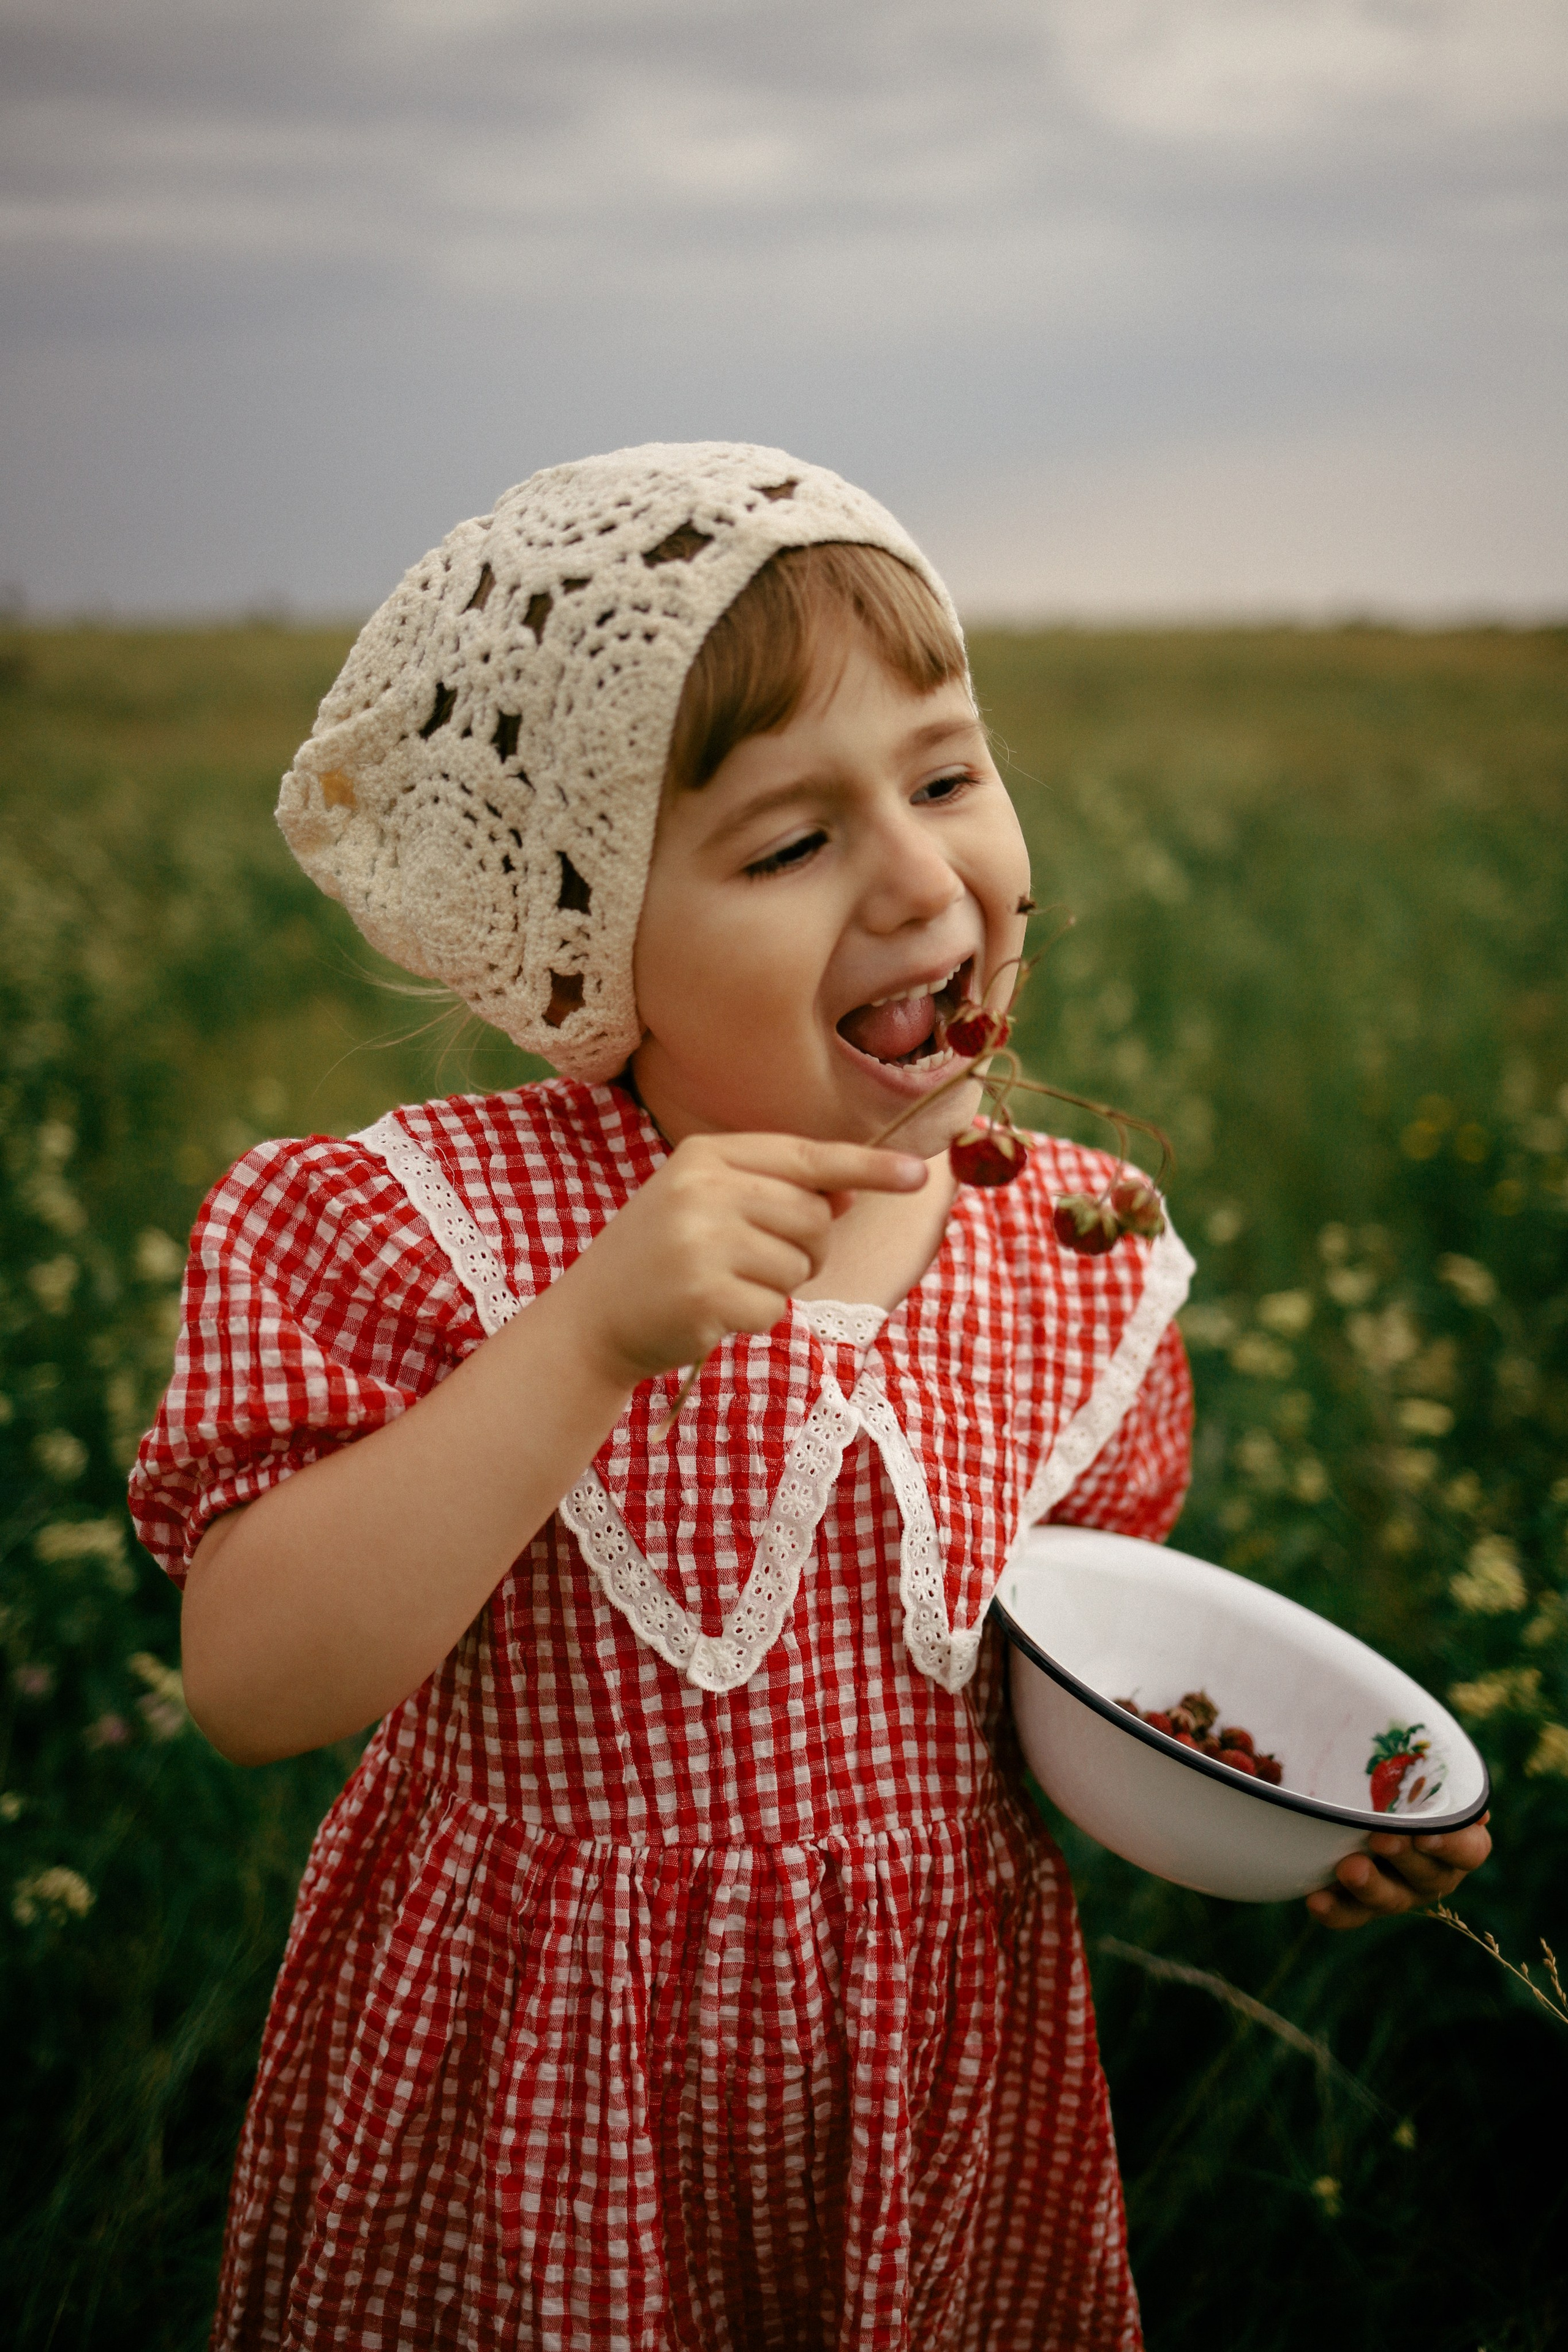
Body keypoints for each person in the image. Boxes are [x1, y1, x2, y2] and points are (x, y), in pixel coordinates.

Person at [129, 444, 1488, 2351]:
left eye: (948, 774)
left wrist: (1291, 1798)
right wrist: (586, 1343)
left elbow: (1049, 1690)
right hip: (549, 2096)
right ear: (592, 945)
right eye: (790, 844)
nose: (925, 877)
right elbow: (253, 1685)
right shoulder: (431, 1231)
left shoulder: (1072, 1247)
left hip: (933, 2097)